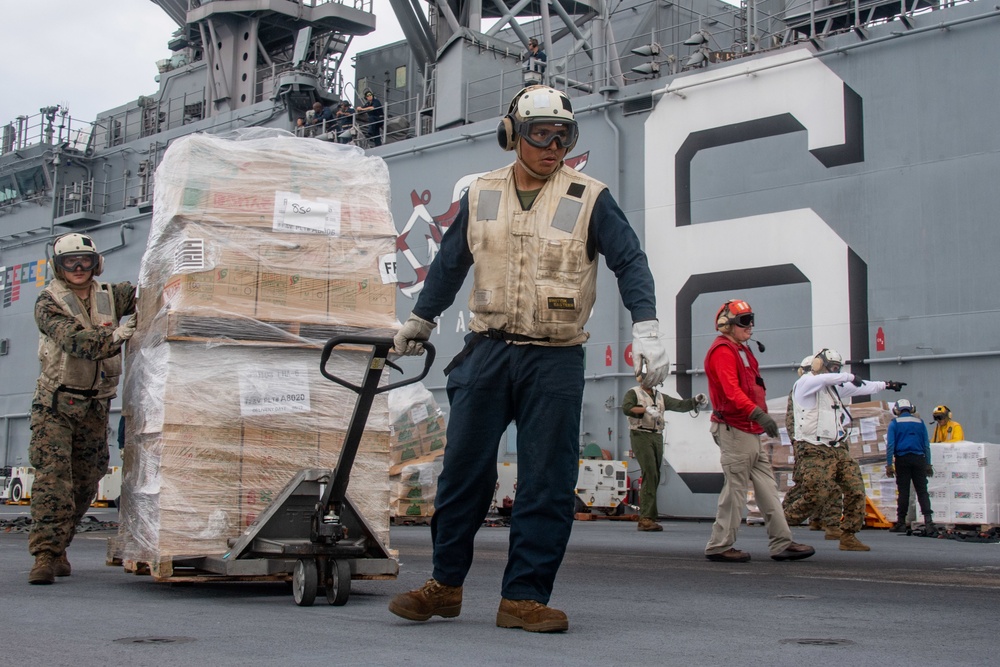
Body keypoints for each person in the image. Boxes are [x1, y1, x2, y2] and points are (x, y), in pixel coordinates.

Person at [388, 85, 669, 632]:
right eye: (541, 134)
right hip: (487, 351)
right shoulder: (481, 194)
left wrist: (648, 327)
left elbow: (630, 262)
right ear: (512, 134)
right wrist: (421, 319)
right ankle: (444, 586)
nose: (553, 146)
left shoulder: (590, 196)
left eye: (564, 136)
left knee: (546, 480)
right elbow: (448, 265)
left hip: (555, 359)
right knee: (462, 475)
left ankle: (523, 598)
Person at [27, 233, 137, 585]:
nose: (78, 268)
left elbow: (152, 293)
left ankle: (60, 547)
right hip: (55, 406)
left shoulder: (111, 295)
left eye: (85, 261)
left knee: (88, 480)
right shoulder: (48, 302)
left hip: (94, 406)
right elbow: (74, 341)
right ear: (59, 268)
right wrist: (116, 336)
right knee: (53, 480)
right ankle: (45, 556)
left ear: (96, 263)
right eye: (70, 262)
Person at [703, 299, 815, 563]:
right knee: (736, 489)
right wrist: (758, 414)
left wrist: (757, 419)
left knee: (767, 487)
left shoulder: (741, 350)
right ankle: (719, 545)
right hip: (734, 429)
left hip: (748, 430)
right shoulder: (722, 351)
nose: (750, 326)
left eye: (751, 319)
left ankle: (782, 543)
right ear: (726, 325)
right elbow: (731, 393)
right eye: (744, 321)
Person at [783, 348, 905, 552]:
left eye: (837, 368)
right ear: (819, 365)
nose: (834, 371)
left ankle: (848, 535)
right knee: (816, 494)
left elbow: (861, 387)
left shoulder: (833, 389)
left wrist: (887, 385)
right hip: (813, 449)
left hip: (837, 447)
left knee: (855, 490)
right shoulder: (804, 384)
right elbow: (828, 380)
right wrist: (848, 376)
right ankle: (781, 524)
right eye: (831, 367)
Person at [622, 385, 706, 531]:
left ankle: (650, 515)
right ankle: (646, 518)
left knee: (655, 474)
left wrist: (695, 401)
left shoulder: (659, 396)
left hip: (657, 435)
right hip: (640, 434)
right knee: (650, 471)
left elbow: (678, 405)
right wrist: (646, 409)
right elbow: (627, 408)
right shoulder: (634, 392)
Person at [783, 354, 844, 540]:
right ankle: (782, 517)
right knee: (807, 485)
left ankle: (829, 523)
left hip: (827, 444)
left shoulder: (827, 390)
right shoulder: (801, 390)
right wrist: (798, 443)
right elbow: (792, 421)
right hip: (808, 446)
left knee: (831, 482)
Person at [886, 399, 934, 532]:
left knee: (903, 492)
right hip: (919, 459)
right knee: (922, 490)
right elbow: (926, 445)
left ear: (897, 410)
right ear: (911, 408)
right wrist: (928, 463)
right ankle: (929, 522)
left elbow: (890, 445)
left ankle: (901, 522)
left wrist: (889, 464)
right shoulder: (920, 422)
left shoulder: (894, 423)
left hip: (902, 459)